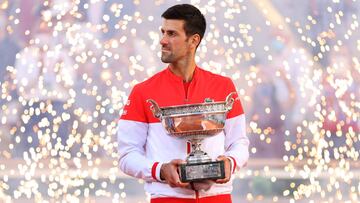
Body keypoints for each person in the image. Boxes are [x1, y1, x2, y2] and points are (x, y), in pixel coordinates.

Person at [117, 4, 249, 203]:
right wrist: (160, 170)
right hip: (167, 198)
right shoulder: (142, 92)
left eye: (172, 34)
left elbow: (239, 142)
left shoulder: (224, 86)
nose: (162, 40)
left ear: (193, 41)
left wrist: (230, 163)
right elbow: (126, 155)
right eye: (162, 32)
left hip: (218, 198)